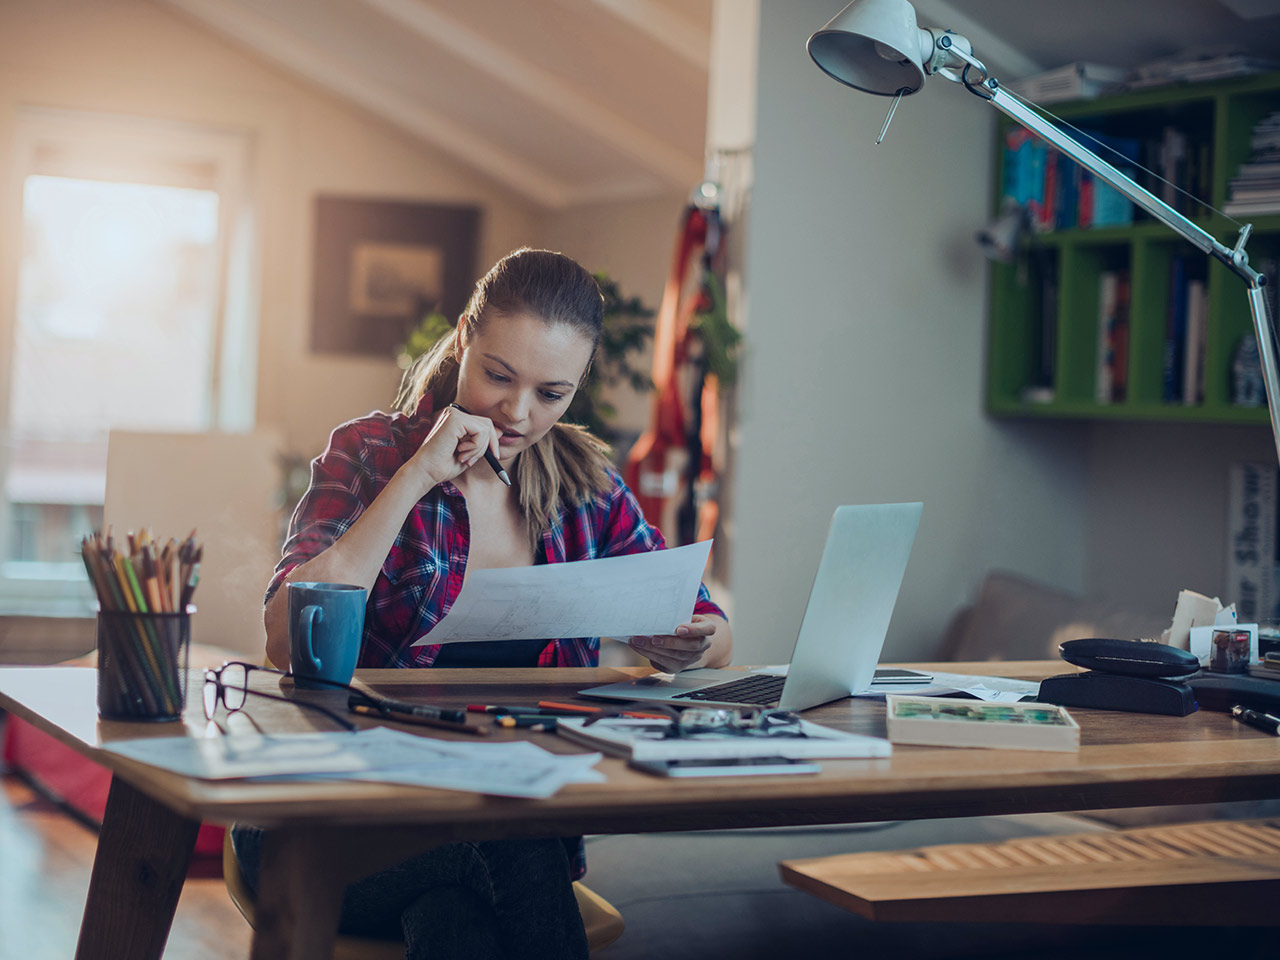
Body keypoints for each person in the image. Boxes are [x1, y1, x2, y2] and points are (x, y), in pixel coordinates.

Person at [235, 247, 732, 960]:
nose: (517, 412)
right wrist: (416, 478)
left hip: (496, 824)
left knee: (456, 922)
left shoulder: (585, 486)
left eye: (551, 393)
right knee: (514, 843)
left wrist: (690, 641)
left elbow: (715, 631)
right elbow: (288, 639)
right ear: (466, 335)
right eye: (500, 375)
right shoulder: (372, 452)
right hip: (332, 824)